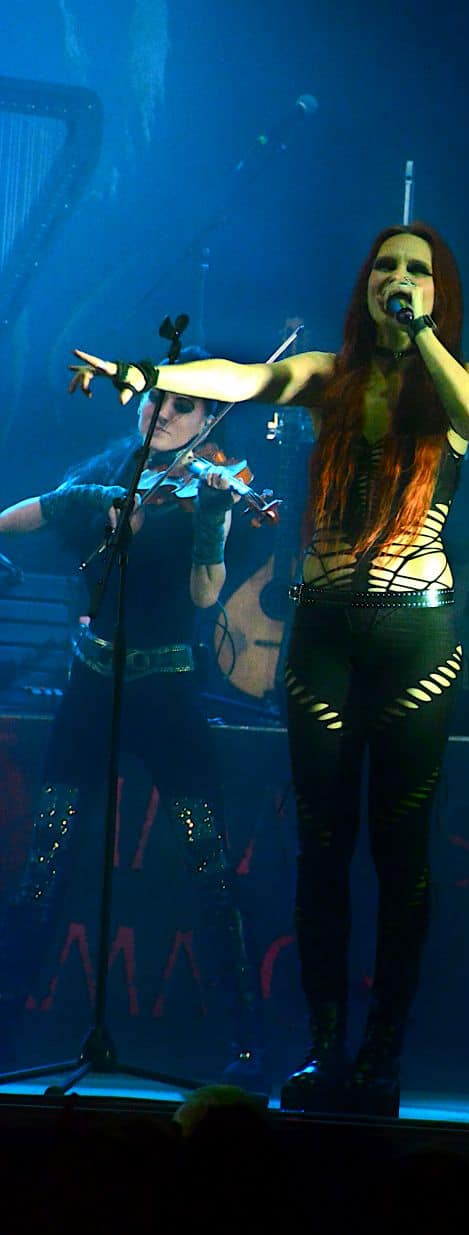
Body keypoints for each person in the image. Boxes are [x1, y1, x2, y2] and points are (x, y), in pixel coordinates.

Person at [68, 222, 469, 1117]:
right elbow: (241, 378)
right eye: (385, 266)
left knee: (400, 849)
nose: (397, 278)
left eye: (416, 270)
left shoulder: (457, 381)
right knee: (322, 848)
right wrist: (149, 374)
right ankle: (325, 1049)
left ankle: (383, 1056)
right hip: (326, 632)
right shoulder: (327, 376)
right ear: (365, 282)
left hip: (415, 637)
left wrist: (422, 332)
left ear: (438, 290)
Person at [0, 348, 267, 1092]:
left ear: (210, 419)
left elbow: (206, 595)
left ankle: (247, 1046)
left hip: (167, 689)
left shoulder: (210, 490)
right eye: (158, 398)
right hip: (92, 684)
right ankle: (5, 1030)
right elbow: (35, 512)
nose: (163, 411)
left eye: (184, 405)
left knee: (208, 862)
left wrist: (213, 521)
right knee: (45, 857)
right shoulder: (109, 474)